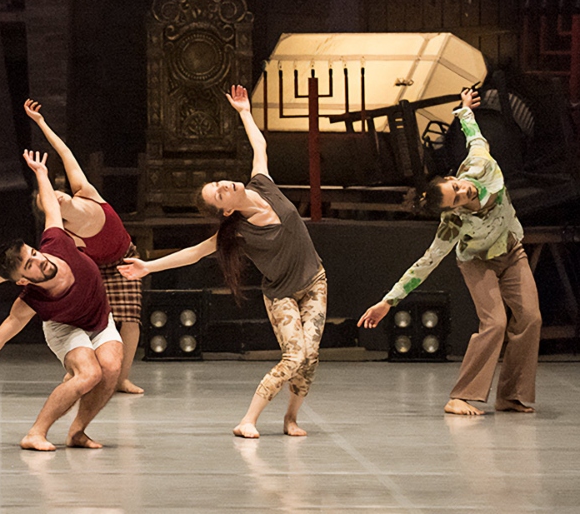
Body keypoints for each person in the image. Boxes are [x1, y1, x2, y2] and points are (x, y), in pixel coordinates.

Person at [119, 85, 325, 439]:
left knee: (310, 358)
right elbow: (195, 252)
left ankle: (291, 418)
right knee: (295, 354)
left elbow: (259, 147)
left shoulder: (262, 184)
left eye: (218, 183)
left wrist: (244, 112)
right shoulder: (238, 232)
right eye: (218, 192)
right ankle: (248, 420)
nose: (224, 184)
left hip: (315, 282)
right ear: (226, 209)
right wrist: (148, 267)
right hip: (281, 294)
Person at [358, 87, 540, 416]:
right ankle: (460, 396)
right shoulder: (454, 224)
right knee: (495, 323)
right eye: (456, 198)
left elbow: (475, 137)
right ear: (452, 209)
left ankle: (511, 396)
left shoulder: (480, 165)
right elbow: (424, 264)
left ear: (454, 177)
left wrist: (465, 109)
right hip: (478, 263)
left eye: (456, 187)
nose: (462, 192)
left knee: (530, 318)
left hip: (512, 252)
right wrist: (388, 301)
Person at [0, 150, 123, 450]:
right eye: (30, 265)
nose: (39, 261)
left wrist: (41, 173)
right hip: (64, 327)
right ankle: (35, 433)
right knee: (89, 374)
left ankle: (77, 431)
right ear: (21, 280)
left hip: (97, 315)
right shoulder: (32, 300)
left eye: (34, 254)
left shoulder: (55, 241)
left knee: (110, 369)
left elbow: (50, 207)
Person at [0, 99, 144, 393]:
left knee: (131, 319)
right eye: (50, 201)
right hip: (96, 268)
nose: (57, 197)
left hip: (125, 258)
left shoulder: (85, 191)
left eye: (54, 194)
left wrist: (40, 123)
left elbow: (65, 152)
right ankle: (80, 367)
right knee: (96, 319)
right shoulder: (66, 235)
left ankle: (122, 377)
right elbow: (36, 268)